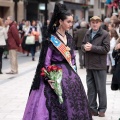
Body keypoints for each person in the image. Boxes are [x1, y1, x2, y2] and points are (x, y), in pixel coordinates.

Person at [23, 3, 92, 120]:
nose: (71, 24)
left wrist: (74, 70)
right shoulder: (51, 39)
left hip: (71, 76)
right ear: (60, 21)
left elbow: (73, 58)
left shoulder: (70, 38)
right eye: (68, 22)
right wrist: (49, 79)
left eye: (71, 22)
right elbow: (46, 62)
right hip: (55, 74)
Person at [81, 16, 110, 117]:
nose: (94, 24)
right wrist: (84, 47)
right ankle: (92, 109)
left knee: (101, 89)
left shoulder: (105, 34)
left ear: (100, 23)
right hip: (89, 65)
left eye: (97, 22)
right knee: (91, 88)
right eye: (93, 22)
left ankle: (102, 109)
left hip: (99, 65)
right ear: (90, 23)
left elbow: (106, 49)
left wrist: (92, 48)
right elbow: (82, 45)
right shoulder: (88, 33)